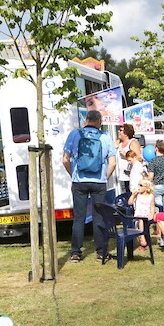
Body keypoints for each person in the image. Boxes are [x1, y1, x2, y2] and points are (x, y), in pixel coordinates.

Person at [62, 109, 116, 263]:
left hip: (79, 181)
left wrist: (72, 174)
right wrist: (105, 177)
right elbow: (112, 162)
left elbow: (65, 159)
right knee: (99, 217)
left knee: (79, 217)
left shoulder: (75, 134)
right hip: (98, 182)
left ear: (86, 120)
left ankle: (75, 253)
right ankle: (101, 252)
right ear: (99, 122)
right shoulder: (105, 137)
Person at [129, 178, 157, 251]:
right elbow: (130, 203)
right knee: (141, 220)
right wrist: (132, 195)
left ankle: (161, 237)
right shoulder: (138, 195)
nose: (139, 187)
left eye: (141, 185)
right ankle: (142, 239)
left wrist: (152, 214)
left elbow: (152, 206)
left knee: (159, 216)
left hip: (147, 213)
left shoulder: (151, 196)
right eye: (138, 185)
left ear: (147, 187)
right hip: (139, 214)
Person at [115, 124, 142, 199]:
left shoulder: (133, 142)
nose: (118, 131)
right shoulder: (119, 142)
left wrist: (126, 155)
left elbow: (139, 158)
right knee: (123, 195)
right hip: (121, 175)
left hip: (130, 175)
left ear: (126, 133)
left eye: (121, 130)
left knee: (130, 195)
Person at [150, 139, 164, 213]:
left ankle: (159, 222)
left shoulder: (153, 161)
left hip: (157, 186)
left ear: (156, 148)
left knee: (158, 208)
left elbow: (151, 177)